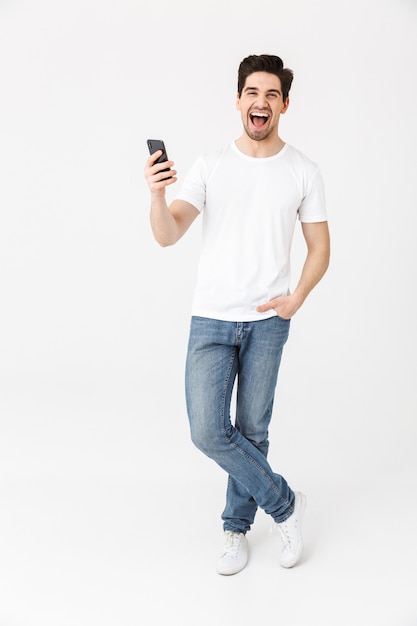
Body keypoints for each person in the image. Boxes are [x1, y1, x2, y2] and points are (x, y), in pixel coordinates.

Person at [144, 54, 330, 575]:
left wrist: (297, 298)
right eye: (253, 92)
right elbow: (167, 233)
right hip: (211, 317)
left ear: (284, 105)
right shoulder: (210, 166)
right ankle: (285, 503)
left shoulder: (303, 170)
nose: (261, 102)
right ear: (238, 100)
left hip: (270, 319)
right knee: (208, 430)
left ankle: (235, 527)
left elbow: (320, 248)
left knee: (252, 428)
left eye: (272, 95)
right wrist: (157, 194)